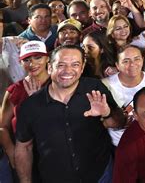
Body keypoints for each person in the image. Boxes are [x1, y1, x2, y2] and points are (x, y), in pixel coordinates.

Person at [14, 45, 126, 182]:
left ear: (82, 68)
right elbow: (24, 147)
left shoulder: (95, 88)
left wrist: (107, 113)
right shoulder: (31, 105)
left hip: (100, 175)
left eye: (75, 64)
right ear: (50, 67)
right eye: (61, 65)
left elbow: (119, 123)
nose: (68, 70)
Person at [0, 41, 49, 170]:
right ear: (20, 62)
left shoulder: (60, 85)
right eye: (26, 60)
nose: (32, 64)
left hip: (53, 152)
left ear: (47, 58)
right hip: (24, 153)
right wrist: (12, 152)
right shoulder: (15, 90)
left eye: (38, 57)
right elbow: (2, 127)